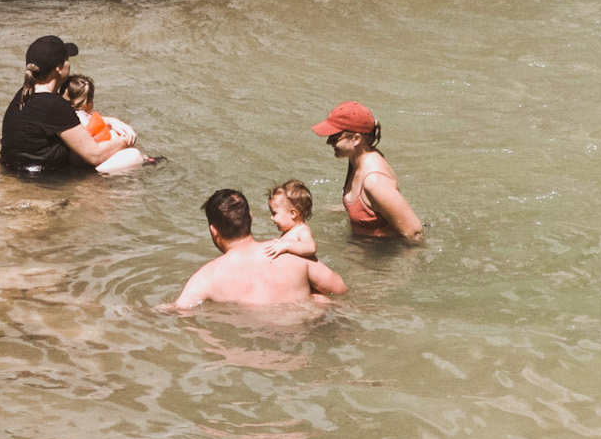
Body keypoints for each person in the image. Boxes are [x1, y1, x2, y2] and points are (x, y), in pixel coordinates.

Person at [170, 189, 347, 309]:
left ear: (213, 230)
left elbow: (178, 310)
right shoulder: (288, 251)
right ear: (251, 218)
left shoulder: (207, 277)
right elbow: (339, 288)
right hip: (302, 342)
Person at [0, 35, 140, 176]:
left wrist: (110, 121)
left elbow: (60, 123)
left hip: (14, 167)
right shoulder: (54, 105)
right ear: (59, 68)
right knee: (134, 155)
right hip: (41, 176)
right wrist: (125, 140)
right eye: (67, 60)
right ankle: (93, 186)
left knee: (111, 134)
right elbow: (94, 155)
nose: (69, 64)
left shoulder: (24, 94)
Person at [312, 101, 422, 241]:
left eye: (334, 137)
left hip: (383, 252)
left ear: (356, 139)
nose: (328, 142)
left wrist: (398, 263)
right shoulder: (356, 160)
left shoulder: (374, 181)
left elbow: (415, 233)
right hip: (364, 246)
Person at [65, 72, 155, 176]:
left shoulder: (66, 116)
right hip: (92, 166)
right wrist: (124, 140)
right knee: (135, 154)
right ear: (89, 102)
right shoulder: (85, 120)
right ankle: (146, 159)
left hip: (84, 160)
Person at [263, 179, 318, 259]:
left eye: (274, 213)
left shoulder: (302, 230)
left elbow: (311, 247)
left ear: (292, 214)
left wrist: (287, 245)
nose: (271, 217)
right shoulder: (290, 231)